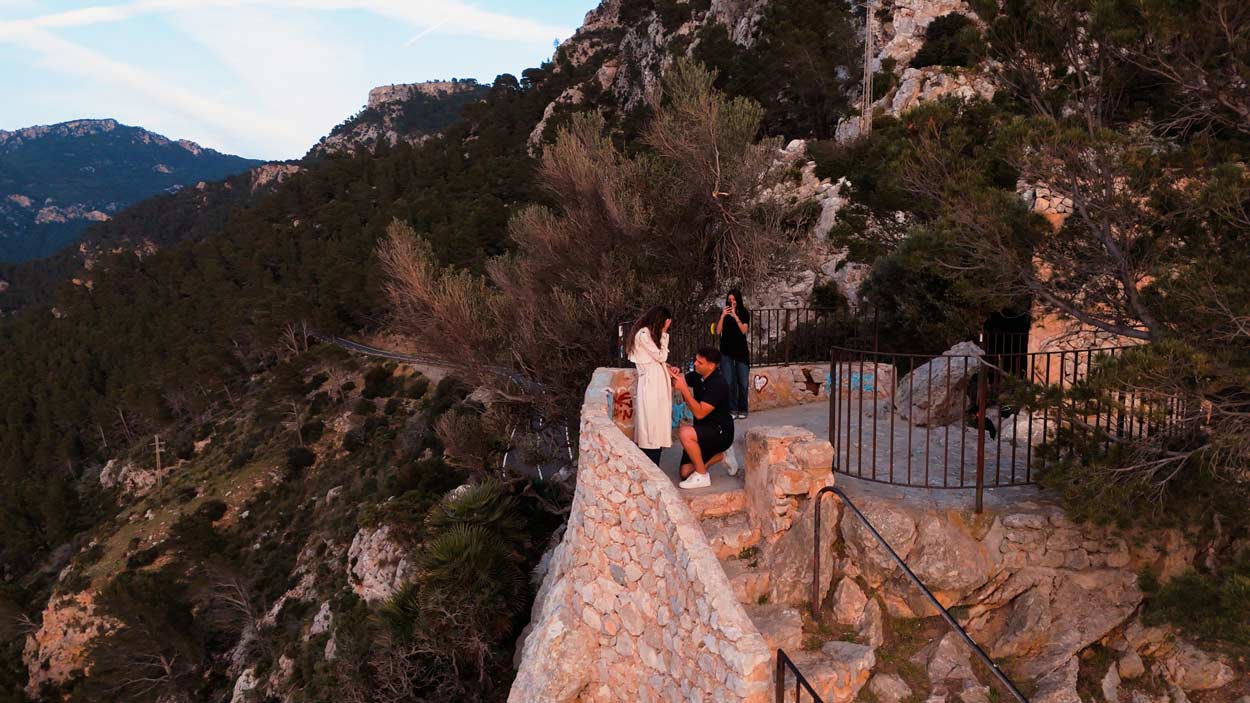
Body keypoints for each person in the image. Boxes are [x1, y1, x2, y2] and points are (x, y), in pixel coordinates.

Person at [669, 347, 735, 489]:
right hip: (703, 430)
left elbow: (699, 413)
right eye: (696, 360)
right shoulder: (698, 375)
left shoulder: (718, 383)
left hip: (720, 432)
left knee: (685, 433)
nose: (695, 364)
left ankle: (702, 475)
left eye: (700, 362)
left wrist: (685, 391)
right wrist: (672, 371)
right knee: (685, 473)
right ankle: (722, 456)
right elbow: (680, 380)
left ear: (711, 366)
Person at [626, 306, 673, 465]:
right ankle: (651, 468)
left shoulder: (647, 334)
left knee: (657, 426)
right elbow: (660, 355)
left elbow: (656, 358)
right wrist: (665, 334)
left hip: (656, 384)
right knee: (651, 426)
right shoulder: (644, 335)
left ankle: (655, 466)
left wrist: (667, 366)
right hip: (651, 385)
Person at [717, 288, 751, 419]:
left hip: (741, 352)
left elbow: (743, 330)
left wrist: (735, 317)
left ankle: (743, 409)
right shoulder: (724, 314)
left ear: (738, 300)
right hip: (726, 351)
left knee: (742, 382)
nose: (732, 302)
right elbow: (718, 331)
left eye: (734, 299)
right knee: (729, 381)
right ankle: (732, 409)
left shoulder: (744, 313)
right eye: (730, 299)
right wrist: (722, 316)